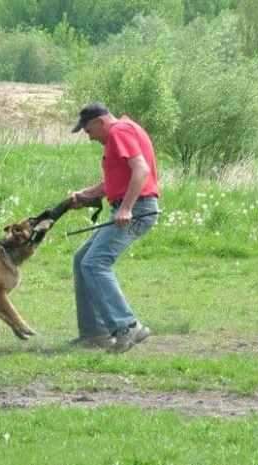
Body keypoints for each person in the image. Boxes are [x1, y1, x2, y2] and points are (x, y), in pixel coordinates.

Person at [69, 103, 160, 353]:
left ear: (100, 122)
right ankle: (94, 333)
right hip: (131, 206)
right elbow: (120, 178)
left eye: (89, 131)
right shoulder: (125, 130)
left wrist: (126, 208)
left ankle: (128, 326)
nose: (90, 137)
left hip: (138, 208)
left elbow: (141, 171)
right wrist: (87, 194)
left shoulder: (119, 132)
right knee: (81, 260)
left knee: (95, 262)